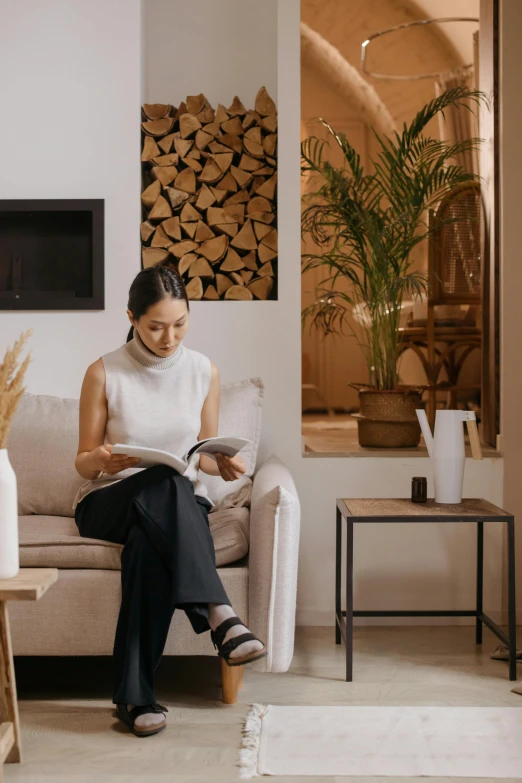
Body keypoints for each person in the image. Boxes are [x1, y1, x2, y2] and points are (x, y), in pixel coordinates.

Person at [73, 263, 266, 737]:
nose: (169, 337)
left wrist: (219, 463)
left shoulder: (203, 371)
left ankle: (135, 700)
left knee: (150, 540)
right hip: (108, 502)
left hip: (173, 506)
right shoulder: (103, 372)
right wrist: (100, 459)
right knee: (165, 481)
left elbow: (199, 454)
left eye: (180, 324)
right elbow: (81, 463)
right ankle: (219, 614)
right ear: (132, 318)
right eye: (156, 326)